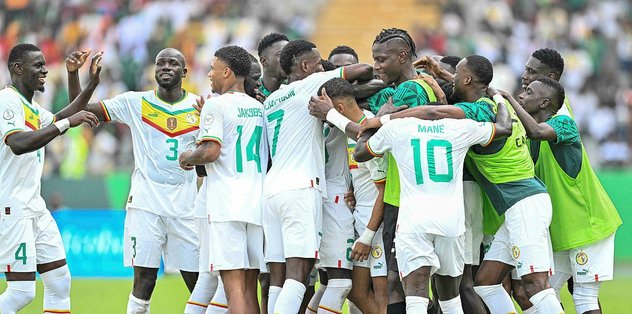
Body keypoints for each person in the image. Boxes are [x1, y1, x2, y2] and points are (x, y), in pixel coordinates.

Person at [361, 54, 564, 313]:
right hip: (516, 204)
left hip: (523, 203)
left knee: (535, 285)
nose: (452, 77)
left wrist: (384, 120)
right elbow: (476, 88)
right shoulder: (499, 103)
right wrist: (441, 81)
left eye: (456, 73)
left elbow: (435, 111)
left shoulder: (476, 113)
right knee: (486, 283)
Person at [352, 86, 512, 313]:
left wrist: (378, 119)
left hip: (413, 222)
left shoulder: (398, 127)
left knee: (415, 294)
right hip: (451, 222)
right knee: (450, 297)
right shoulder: (459, 127)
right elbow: (505, 128)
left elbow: (359, 153)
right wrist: (499, 98)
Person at [71, 48, 201, 313]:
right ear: (153, 71)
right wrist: (76, 76)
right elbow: (79, 107)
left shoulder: (200, 106)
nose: (166, 67)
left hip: (186, 207)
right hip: (146, 204)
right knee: (144, 282)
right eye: (160, 62)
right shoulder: (135, 102)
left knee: (198, 284)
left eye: (173, 63)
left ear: (184, 72)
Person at [262, 38, 373, 314]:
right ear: (304, 65)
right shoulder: (310, 86)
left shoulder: (272, 99)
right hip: (303, 188)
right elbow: (365, 71)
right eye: (318, 60)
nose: (321, 65)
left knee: (278, 279)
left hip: (272, 190)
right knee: (299, 276)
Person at [503, 77, 622, 314]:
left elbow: (537, 131)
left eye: (528, 91)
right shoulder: (527, 136)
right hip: (562, 230)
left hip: (588, 225)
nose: (521, 94)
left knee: (585, 297)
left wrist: (506, 98)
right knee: (541, 293)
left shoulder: (563, 124)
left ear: (545, 102)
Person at [0, 43, 102, 314]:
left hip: (34, 207)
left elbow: (66, 115)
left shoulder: (32, 107)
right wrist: (65, 124)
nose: (45, 70)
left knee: (59, 282)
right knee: (21, 293)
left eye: (45, 65)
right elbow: (18, 143)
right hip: (12, 210)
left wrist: (84, 81)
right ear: (18, 69)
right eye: (38, 65)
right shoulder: (7, 101)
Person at [179, 45, 268, 313]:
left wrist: (187, 156)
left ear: (227, 71)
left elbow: (211, 152)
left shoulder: (215, 106)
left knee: (233, 286)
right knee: (250, 285)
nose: (209, 74)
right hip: (257, 203)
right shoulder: (258, 108)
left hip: (227, 204)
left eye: (213, 68)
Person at [309, 78, 389, 314]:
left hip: (377, 226)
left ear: (338, 110)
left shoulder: (371, 132)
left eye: (324, 112)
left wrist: (367, 236)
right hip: (361, 220)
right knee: (356, 291)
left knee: (382, 294)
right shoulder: (349, 134)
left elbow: (385, 191)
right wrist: (354, 190)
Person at [256, 32, 290, 100]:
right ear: (264, 61)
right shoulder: (252, 93)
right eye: (280, 54)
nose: (288, 58)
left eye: (290, 54)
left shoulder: (296, 89)